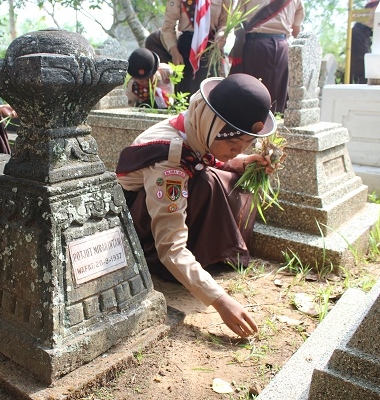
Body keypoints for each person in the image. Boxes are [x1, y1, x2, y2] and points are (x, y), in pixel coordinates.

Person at [116, 73, 278, 338]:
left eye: (246, 144)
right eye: (233, 144)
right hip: (143, 222)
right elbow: (170, 247)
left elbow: (206, 157)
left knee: (227, 177)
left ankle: (207, 254)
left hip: (171, 196)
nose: (237, 151)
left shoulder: (197, 125)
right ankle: (165, 267)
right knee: (208, 183)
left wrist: (242, 162)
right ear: (212, 126)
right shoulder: (169, 160)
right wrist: (219, 300)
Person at [228, 0, 305, 114]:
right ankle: (273, 125)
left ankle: (246, 126)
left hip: (254, 45)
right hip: (282, 47)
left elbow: (238, 21)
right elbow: (296, 30)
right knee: (276, 96)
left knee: (249, 90)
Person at [160, 0, 231, 97]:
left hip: (212, 47)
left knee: (211, 93)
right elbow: (168, 26)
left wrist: (221, 35)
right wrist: (174, 51)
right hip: (186, 48)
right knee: (186, 93)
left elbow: (224, 22)